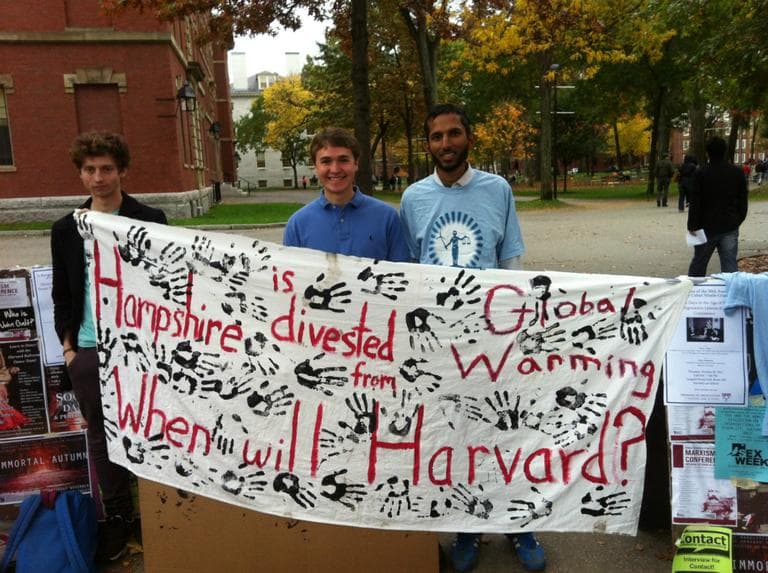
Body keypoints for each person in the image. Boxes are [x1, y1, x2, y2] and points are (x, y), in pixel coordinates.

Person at [400, 104, 544, 572]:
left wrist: (518, 326)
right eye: (436, 136)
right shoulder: (413, 198)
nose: (446, 143)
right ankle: (467, 524)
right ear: (428, 144)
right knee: (457, 433)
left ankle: (519, 521)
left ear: (469, 137)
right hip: (441, 344)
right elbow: (410, 274)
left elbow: (512, 263)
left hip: (492, 335)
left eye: (454, 133)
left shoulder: (497, 189)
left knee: (507, 427)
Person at [51, 131, 167, 561]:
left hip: (142, 349)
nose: (98, 177)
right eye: (89, 170)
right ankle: (119, 515)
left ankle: (155, 514)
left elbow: (168, 285)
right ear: (80, 174)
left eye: (106, 169)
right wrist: (69, 350)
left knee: (152, 428)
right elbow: (62, 294)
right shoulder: (66, 229)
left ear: (122, 171)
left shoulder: (149, 219)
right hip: (89, 349)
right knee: (102, 436)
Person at [284, 127, 410, 262]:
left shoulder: (387, 218)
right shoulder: (297, 225)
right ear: (316, 166)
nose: (335, 169)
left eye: (343, 160)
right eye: (326, 161)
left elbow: (401, 271)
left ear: (356, 163)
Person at [687, 136, 748, 276]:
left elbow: (695, 202)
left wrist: (692, 225)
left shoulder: (700, 173)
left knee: (699, 262)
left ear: (707, 153)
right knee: (730, 264)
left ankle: (694, 287)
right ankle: (731, 288)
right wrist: (738, 219)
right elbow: (743, 200)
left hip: (705, 226)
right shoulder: (737, 172)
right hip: (729, 224)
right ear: (725, 151)